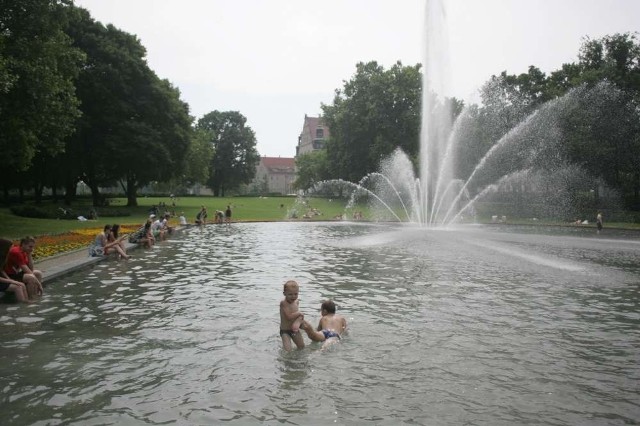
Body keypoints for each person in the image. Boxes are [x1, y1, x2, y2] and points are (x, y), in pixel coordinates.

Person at [0, 238, 30, 303]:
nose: (12, 249)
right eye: (11, 247)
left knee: (21, 284)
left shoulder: (3, 258)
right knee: (18, 287)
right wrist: (10, 281)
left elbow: (1, 270)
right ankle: (22, 306)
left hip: (3, 280)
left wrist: (9, 279)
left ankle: (26, 302)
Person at [279, 280, 305, 351]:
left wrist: (299, 321)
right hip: (285, 331)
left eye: (295, 294)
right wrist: (299, 313)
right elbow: (289, 317)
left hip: (294, 330)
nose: (293, 296)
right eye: (290, 294)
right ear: (284, 294)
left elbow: (297, 317)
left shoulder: (296, 302)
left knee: (301, 347)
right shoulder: (283, 303)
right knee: (288, 351)